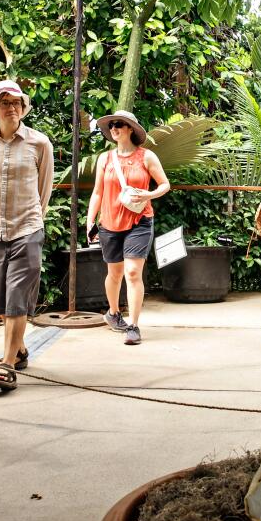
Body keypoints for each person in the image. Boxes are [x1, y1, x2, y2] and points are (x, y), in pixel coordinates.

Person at [0, 80, 55, 391]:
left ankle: (6, 365)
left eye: (16, 103)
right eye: (4, 103)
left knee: (17, 298)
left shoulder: (39, 143)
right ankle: (19, 350)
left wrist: (34, 221)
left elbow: (44, 188)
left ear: (24, 108)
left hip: (27, 228)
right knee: (1, 300)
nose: (11, 108)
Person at [87, 110, 170, 346]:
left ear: (130, 129)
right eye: (111, 125)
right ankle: (113, 313)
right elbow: (97, 193)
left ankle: (133, 326)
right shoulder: (105, 158)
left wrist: (150, 193)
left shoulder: (146, 157)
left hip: (139, 220)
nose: (114, 128)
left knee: (132, 272)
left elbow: (165, 184)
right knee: (114, 273)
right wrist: (89, 220)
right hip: (109, 222)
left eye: (119, 125)